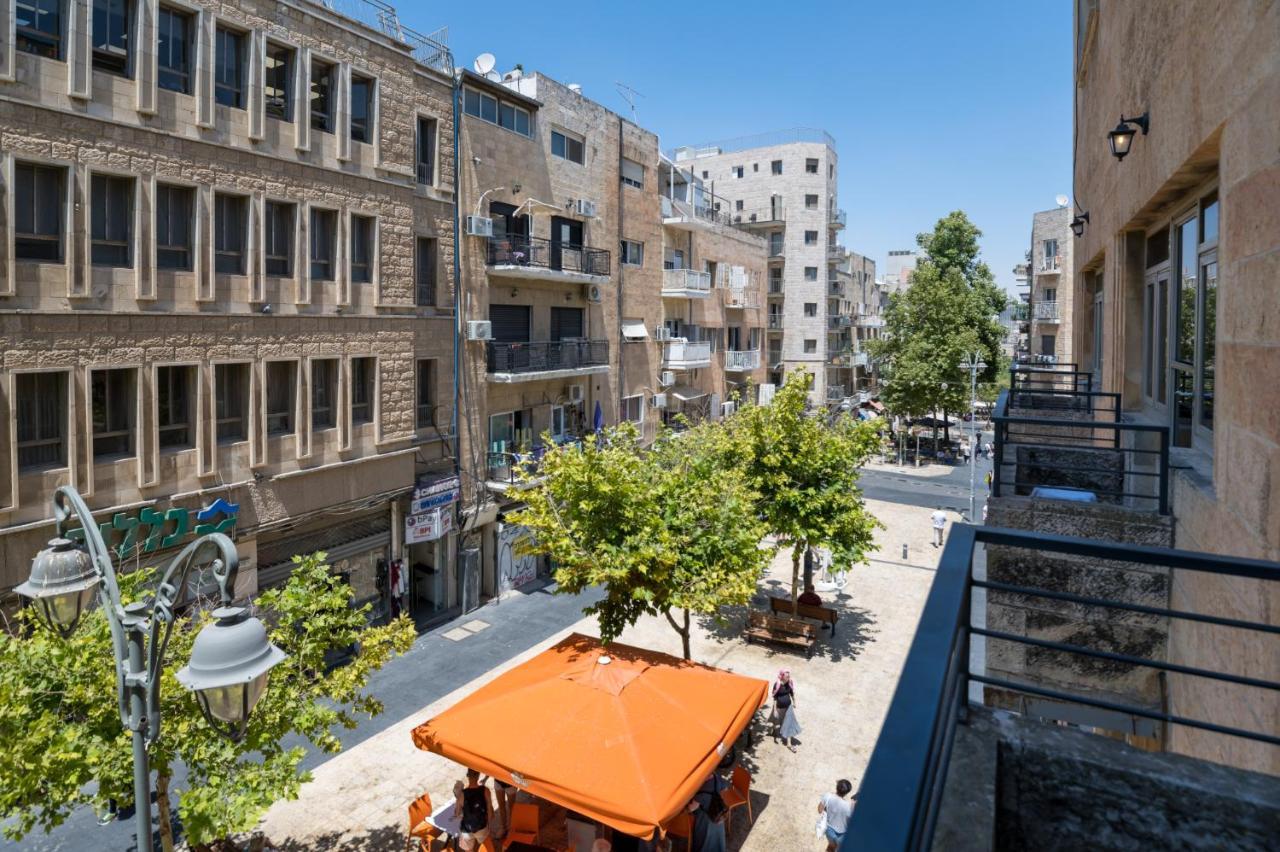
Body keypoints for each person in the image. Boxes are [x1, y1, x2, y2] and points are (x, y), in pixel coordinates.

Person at [687, 771, 729, 852]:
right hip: (718, 815)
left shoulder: (702, 792)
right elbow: (726, 789)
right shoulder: (717, 777)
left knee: (704, 840)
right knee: (718, 838)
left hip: (705, 821)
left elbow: (691, 808)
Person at [452, 768, 493, 851]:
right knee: (483, 847)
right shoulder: (486, 791)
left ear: (468, 776)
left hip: (467, 830)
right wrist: (488, 824)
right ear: (478, 776)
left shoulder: (462, 794)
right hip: (482, 827)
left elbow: (457, 813)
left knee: (468, 850)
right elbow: (490, 811)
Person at [818, 779, 854, 851]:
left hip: (829, 830)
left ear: (836, 787)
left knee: (831, 847)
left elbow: (819, 810)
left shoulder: (827, 796)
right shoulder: (849, 806)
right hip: (842, 834)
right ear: (847, 792)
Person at [770, 669, 801, 752]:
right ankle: (773, 730)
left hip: (788, 707)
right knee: (776, 720)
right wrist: (775, 710)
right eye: (787, 676)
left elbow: (791, 693)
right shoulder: (777, 685)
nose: (789, 677)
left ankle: (789, 744)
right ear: (783, 677)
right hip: (779, 707)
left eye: (789, 676)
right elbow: (775, 698)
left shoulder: (789, 683)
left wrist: (794, 702)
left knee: (789, 723)